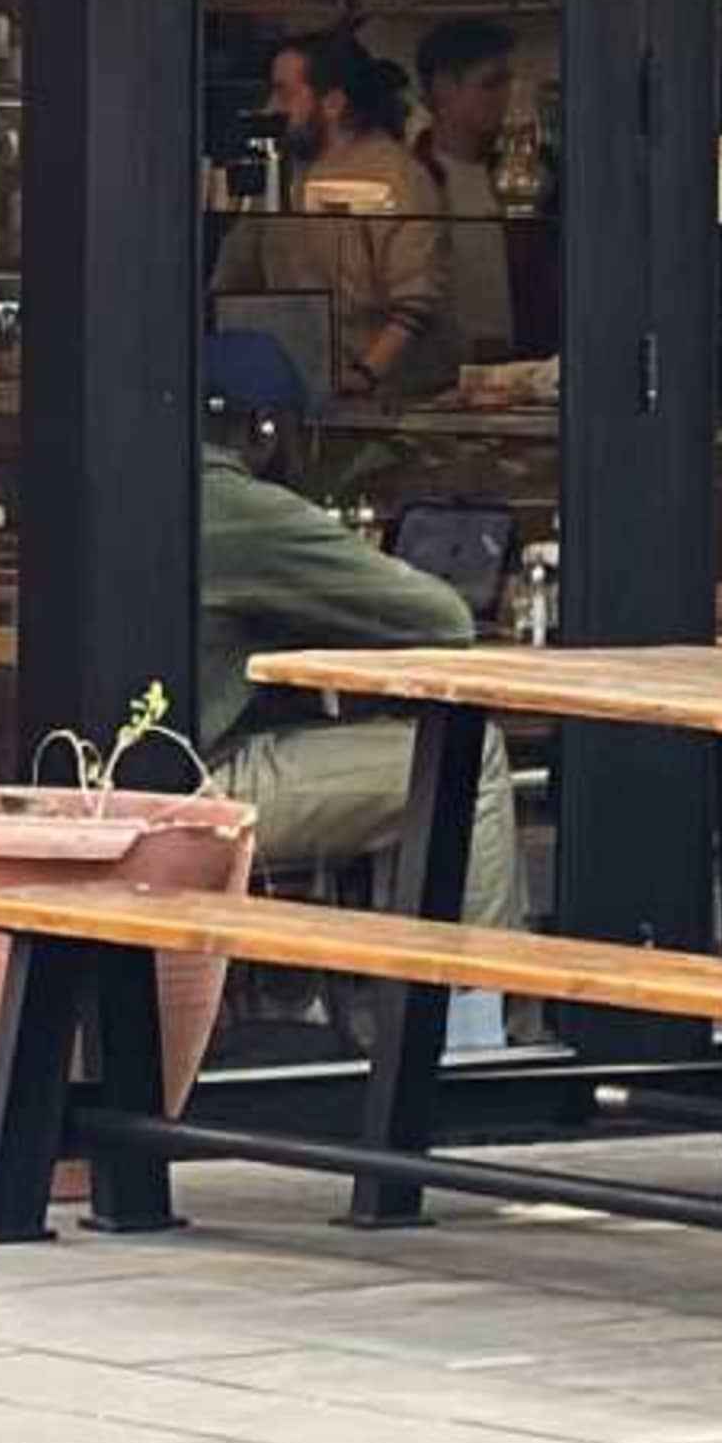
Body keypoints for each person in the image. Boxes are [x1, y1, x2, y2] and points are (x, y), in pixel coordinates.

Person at [195, 331, 520, 1045]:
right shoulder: (239, 508)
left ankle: (365, 1018)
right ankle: (479, 1040)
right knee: (474, 762)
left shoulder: (142, 479)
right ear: (265, 429)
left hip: (113, 771)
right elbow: (443, 618)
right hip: (195, 788)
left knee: (385, 760)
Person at [213, 25, 453, 402]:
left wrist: (363, 377)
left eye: (284, 94)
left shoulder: (396, 178)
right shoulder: (280, 174)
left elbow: (416, 306)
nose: (270, 110)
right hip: (285, 396)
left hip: (379, 406)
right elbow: (233, 279)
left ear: (333, 103)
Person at [414, 14, 519, 372]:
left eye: (507, 82)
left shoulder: (524, 177)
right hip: (441, 378)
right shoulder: (413, 179)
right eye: (490, 84)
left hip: (525, 372)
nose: (504, 97)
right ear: (444, 89)